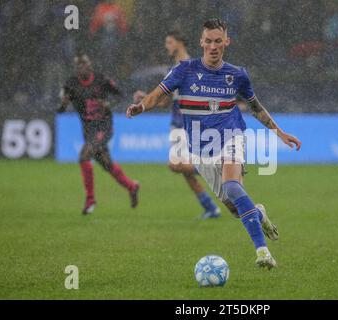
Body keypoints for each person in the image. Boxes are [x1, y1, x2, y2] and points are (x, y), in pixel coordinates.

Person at [126, 18, 301, 269]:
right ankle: (258, 213)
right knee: (234, 208)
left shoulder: (237, 75)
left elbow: (255, 107)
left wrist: (280, 132)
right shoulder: (184, 70)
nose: (213, 46)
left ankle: (263, 252)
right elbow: (157, 94)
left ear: (226, 42)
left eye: (218, 41)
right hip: (200, 148)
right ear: (201, 42)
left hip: (231, 135)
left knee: (231, 187)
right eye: (208, 41)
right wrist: (142, 106)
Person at [133, 30, 221, 220]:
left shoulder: (191, 67)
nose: (167, 46)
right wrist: (145, 97)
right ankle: (211, 208)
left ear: (180, 43)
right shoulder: (174, 69)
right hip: (176, 124)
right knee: (185, 171)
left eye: (169, 42)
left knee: (175, 165)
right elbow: (165, 101)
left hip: (187, 125)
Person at [58, 52, 140, 215]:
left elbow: (120, 96)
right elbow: (59, 110)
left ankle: (90, 200)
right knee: (107, 164)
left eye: (85, 63)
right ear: (76, 68)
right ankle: (132, 186)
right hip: (88, 130)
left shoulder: (101, 80)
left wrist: (109, 104)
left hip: (104, 127)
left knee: (84, 156)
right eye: (79, 65)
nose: (82, 66)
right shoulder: (70, 84)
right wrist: (63, 104)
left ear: (90, 64)